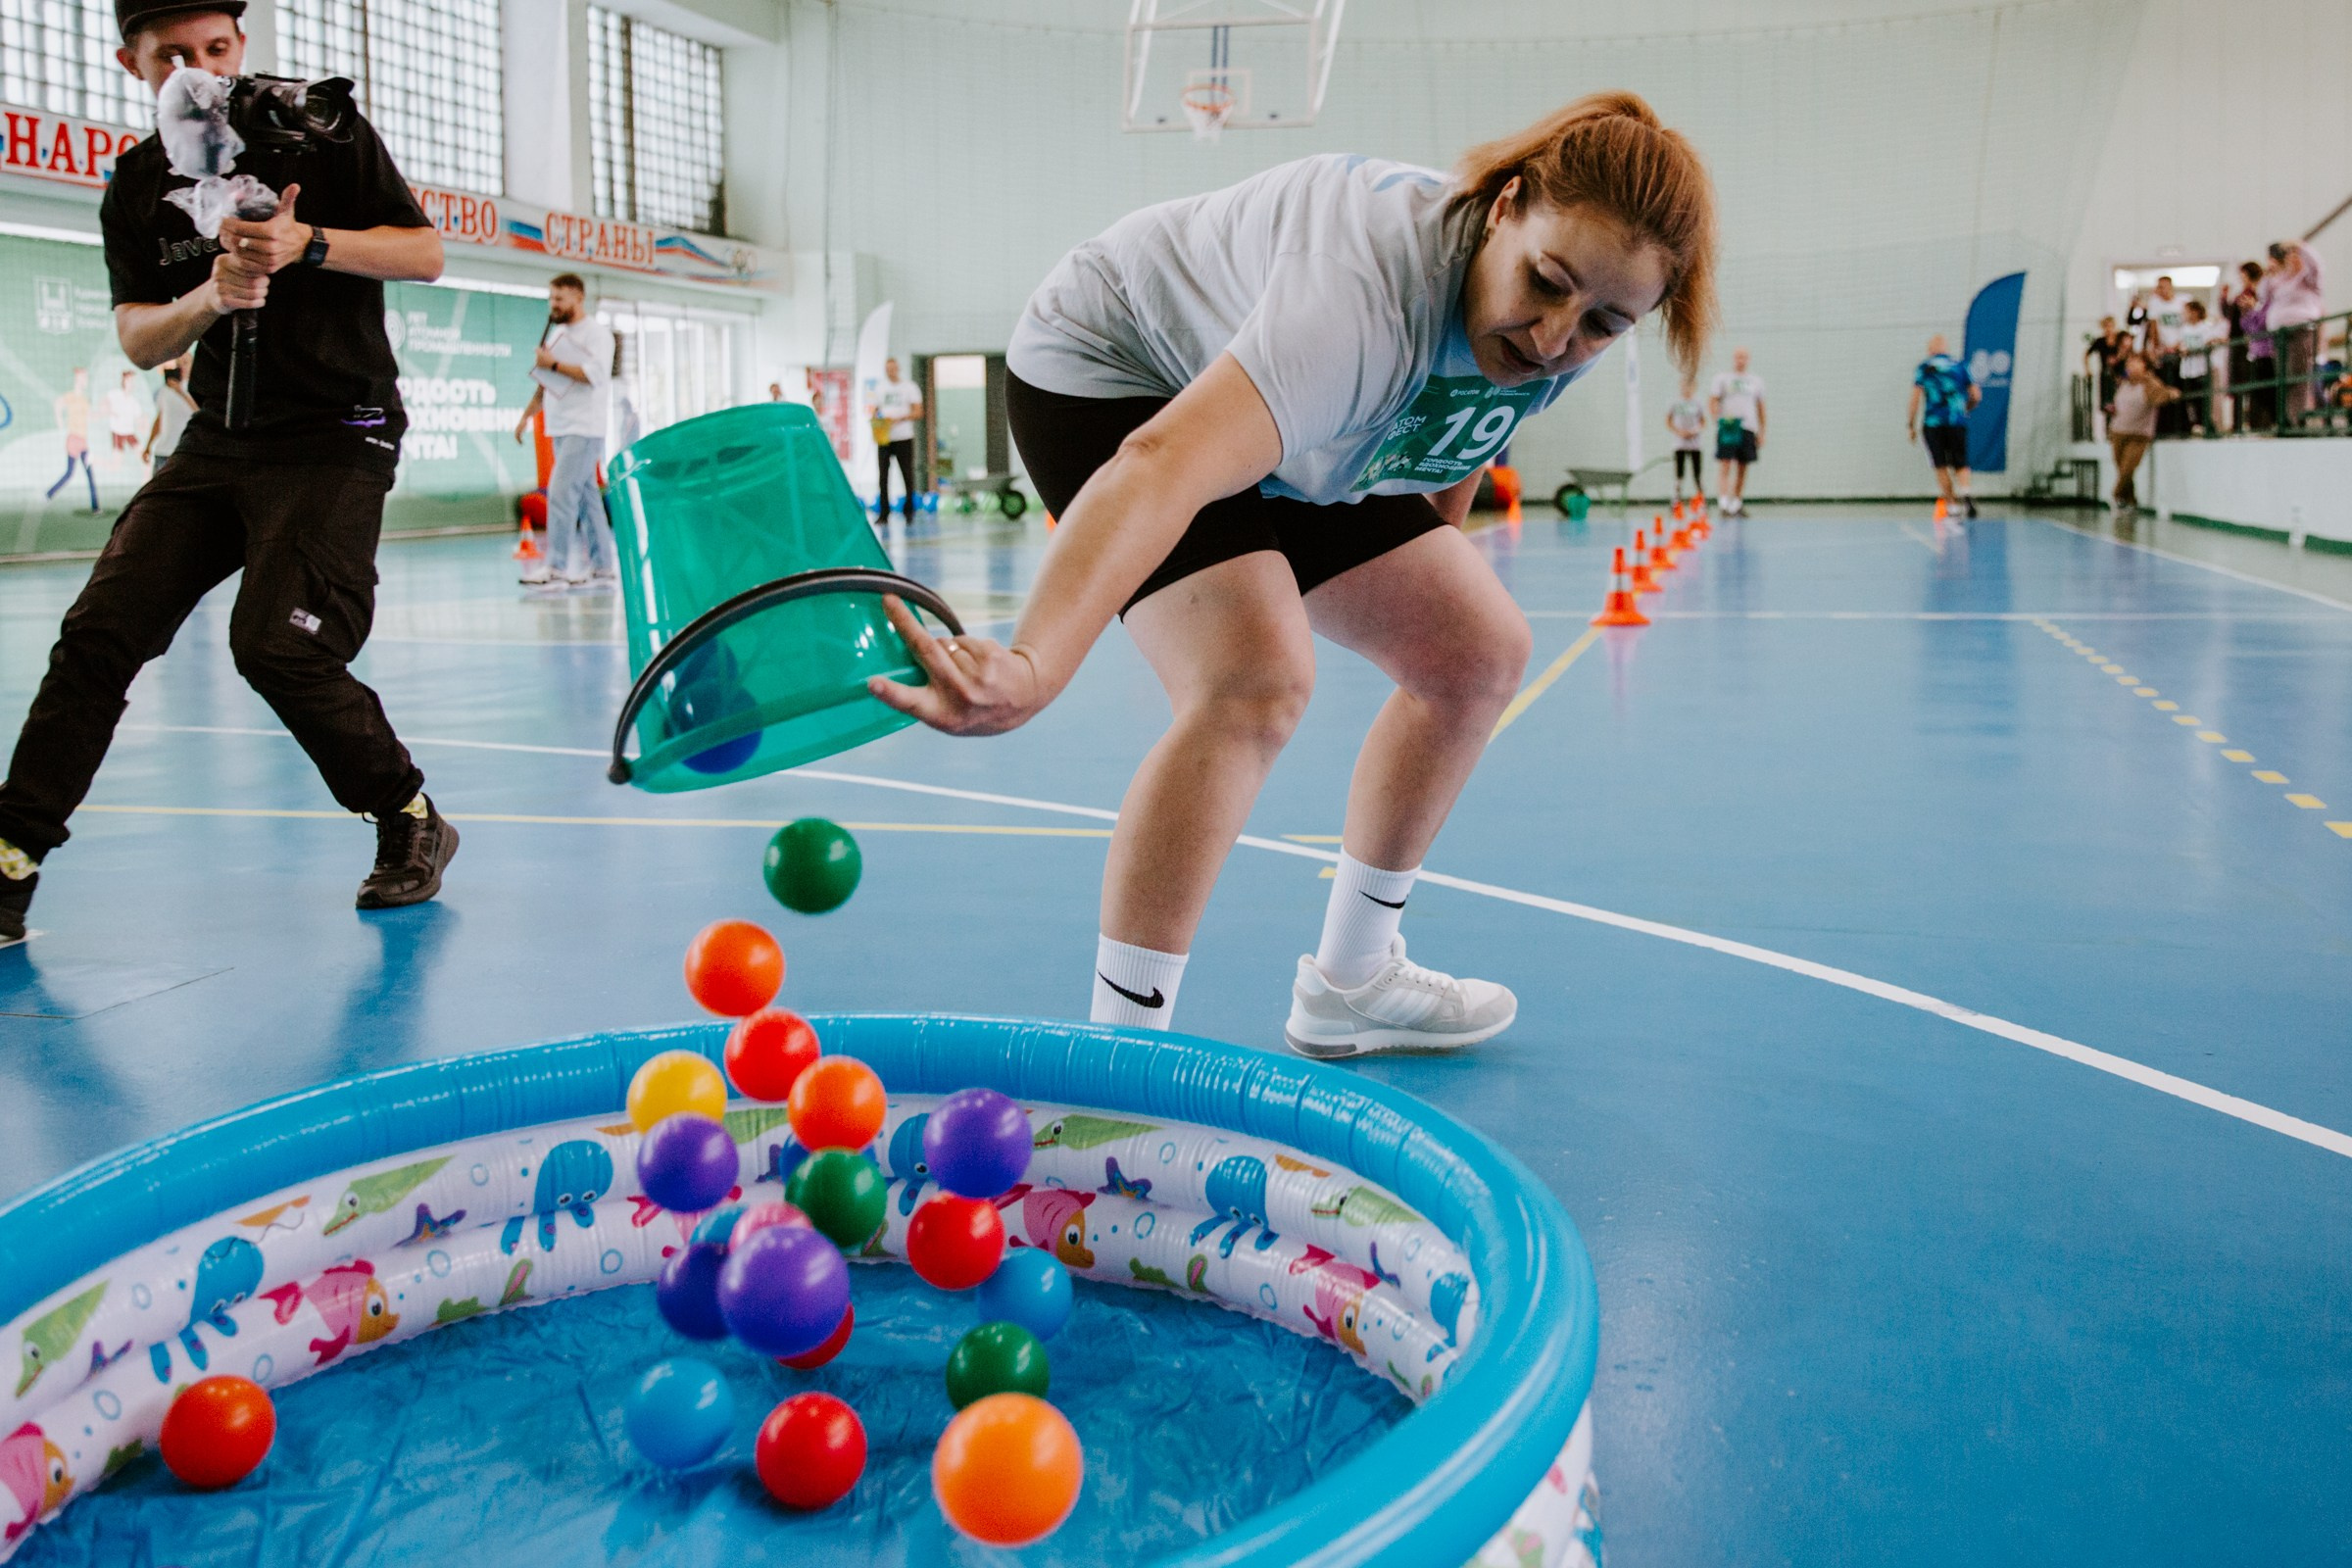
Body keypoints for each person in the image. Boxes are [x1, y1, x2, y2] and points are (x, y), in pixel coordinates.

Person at [867, 92, 1716, 1056]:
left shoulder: (1566, 311)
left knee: (1478, 653)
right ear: (1506, 205)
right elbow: (1163, 464)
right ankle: (1117, 1060)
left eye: (1605, 322)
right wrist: (1032, 664)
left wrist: (1432, 579)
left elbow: (1467, 422)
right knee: (1253, 679)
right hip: (1118, 371)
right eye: (1549, 284)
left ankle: (1352, 982)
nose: (1560, 336)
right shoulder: (1357, 296)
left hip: (1304, 418)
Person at [0, 0, 456, 947]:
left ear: (241, 47)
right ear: (133, 65)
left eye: (216, 48)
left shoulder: (322, 133)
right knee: (98, 633)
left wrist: (309, 245)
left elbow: (425, 252)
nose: (197, 67)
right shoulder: (135, 185)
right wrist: (209, 295)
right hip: (221, 441)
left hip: (340, 430)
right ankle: (11, 857)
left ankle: (408, 815)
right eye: (172, 55)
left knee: (276, 644)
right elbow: (135, 334)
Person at [513, 272, 615, 588]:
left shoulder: (597, 335)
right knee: (587, 498)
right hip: (560, 427)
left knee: (560, 492)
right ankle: (602, 567)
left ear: (578, 298)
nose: (553, 305)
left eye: (559, 298)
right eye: (551, 298)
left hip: (583, 428)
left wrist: (554, 364)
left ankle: (556, 568)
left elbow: (595, 375)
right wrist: (526, 416)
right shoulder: (559, 335)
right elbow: (547, 383)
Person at [1907, 333, 1979, 516]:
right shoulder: (1960, 366)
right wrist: (1966, 409)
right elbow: (1976, 395)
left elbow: (1915, 398)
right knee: (1960, 462)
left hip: (1933, 423)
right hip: (1956, 420)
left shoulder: (1924, 368)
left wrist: (1910, 424)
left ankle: (1952, 505)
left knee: (1941, 465)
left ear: (1930, 350)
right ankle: (1966, 493)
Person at [2262, 240, 2326, 426]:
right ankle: (2285, 417)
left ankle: (2296, 419)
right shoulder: (2280, 280)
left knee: (2297, 376)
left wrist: (2301, 247)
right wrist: (2268, 273)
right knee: (2283, 377)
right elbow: (2263, 295)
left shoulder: (2308, 280)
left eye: (2296, 257)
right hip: (2279, 334)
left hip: (2300, 330)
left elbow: (2317, 266)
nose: (2293, 260)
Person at [2107, 352, 2178, 514]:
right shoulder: (2123, 384)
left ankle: (2116, 496)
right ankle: (2130, 501)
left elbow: (2160, 396)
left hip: (2139, 434)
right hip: (2118, 431)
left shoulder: (2150, 383)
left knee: (2127, 468)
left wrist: (2170, 394)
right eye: (2129, 363)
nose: (2131, 366)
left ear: (2144, 365)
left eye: (2135, 362)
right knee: (2122, 469)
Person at [1708, 346, 1764, 514]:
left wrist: (1762, 431)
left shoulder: (1756, 382)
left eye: (1744, 357)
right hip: (1729, 428)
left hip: (1748, 428)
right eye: (1738, 357)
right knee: (1725, 464)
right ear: (1733, 359)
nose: (1740, 360)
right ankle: (1724, 503)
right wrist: (1718, 421)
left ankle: (1736, 503)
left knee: (1742, 466)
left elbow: (1761, 408)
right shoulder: (1723, 379)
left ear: (1748, 359)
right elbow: (1713, 401)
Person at [868, 357, 923, 520]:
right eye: (887, 369)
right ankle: (884, 512)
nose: (890, 372)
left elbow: (918, 412)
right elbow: (874, 411)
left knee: (907, 474)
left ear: (897, 369)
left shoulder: (910, 387)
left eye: (893, 368)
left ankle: (909, 511)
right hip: (885, 438)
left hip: (904, 437)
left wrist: (900, 418)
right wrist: (878, 425)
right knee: (883, 476)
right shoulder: (879, 388)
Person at [44, 368, 100, 512]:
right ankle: (49, 493)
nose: (86, 381)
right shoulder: (70, 396)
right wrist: (59, 422)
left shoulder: (85, 400)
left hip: (83, 441)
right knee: (69, 473)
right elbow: (58, 403)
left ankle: (95, 506)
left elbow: (90, 417)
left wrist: (107, 412)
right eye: (84, 378)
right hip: (73, 439)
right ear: (78, 379)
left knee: (89, 473)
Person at [2142, 275, 2188, 435]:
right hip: (2165, 353)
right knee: (2166, 386)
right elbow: (2153, 327)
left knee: (2181, 387)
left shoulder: (2182, 302)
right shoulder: (2155, 304)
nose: (2162, 290)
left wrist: (2179, 343)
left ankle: (2182, 425)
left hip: (2180, 350)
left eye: (2164, 287)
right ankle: (2167, 426)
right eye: (2159, 287)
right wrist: (2157, 348)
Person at [2176, 298, 2220, 434]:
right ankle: (2194, 424)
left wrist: (2192, 350)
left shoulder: (2205, 327)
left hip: (2201, 368)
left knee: (2203, 399)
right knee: (2191, 398)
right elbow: (2180, 344)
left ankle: (2207, 425)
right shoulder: (2184, 329)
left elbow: (2208, 344)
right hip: (2188, 370)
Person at [142, 356, 196, 466]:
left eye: (185, 363)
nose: (181, 367)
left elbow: (199, 412)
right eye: (178, 363)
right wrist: (148, 445)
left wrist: (181, 393)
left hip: (185, 451)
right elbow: (160, 419)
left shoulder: (195, 390)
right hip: (163, 451)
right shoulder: (165, 390)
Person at [1664, 374, 1705, 505]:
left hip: (1695, 444)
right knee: (1679, 473)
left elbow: (1703, 421)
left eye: (1690, 386)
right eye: (1684, 385)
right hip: (1680, 443)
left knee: (1697, 473)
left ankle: (1701, 499)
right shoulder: (1675, 402)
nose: (1687, 389)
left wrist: (1694, 431)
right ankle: (1676, 499)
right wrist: (1679, 431)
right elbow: (1668, 420)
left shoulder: (1698, 402)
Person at [2086, 316, 2130, 433]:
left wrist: (2117, 358)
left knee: (2121, 400)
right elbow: (2087, 354)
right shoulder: (2100, 341)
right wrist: (2088, 370)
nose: (2108, 329)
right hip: (2106, 374)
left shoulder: (2119, 339)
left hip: (2119, 374)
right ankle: (2109, 430)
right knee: (2107, 402)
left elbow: (2126, 351)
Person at [106, 369, 145, 467]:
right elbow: (103, 404)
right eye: (130, 380)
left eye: (133, 381)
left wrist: (142, 426)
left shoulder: (134, 402)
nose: (132, 383)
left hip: (129, 433)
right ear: (124, 380)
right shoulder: (115, 394)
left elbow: (139, 418)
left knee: (144, 458)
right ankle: (93, 459)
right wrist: (111, 412)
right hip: (118, 433)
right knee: (115, 465)